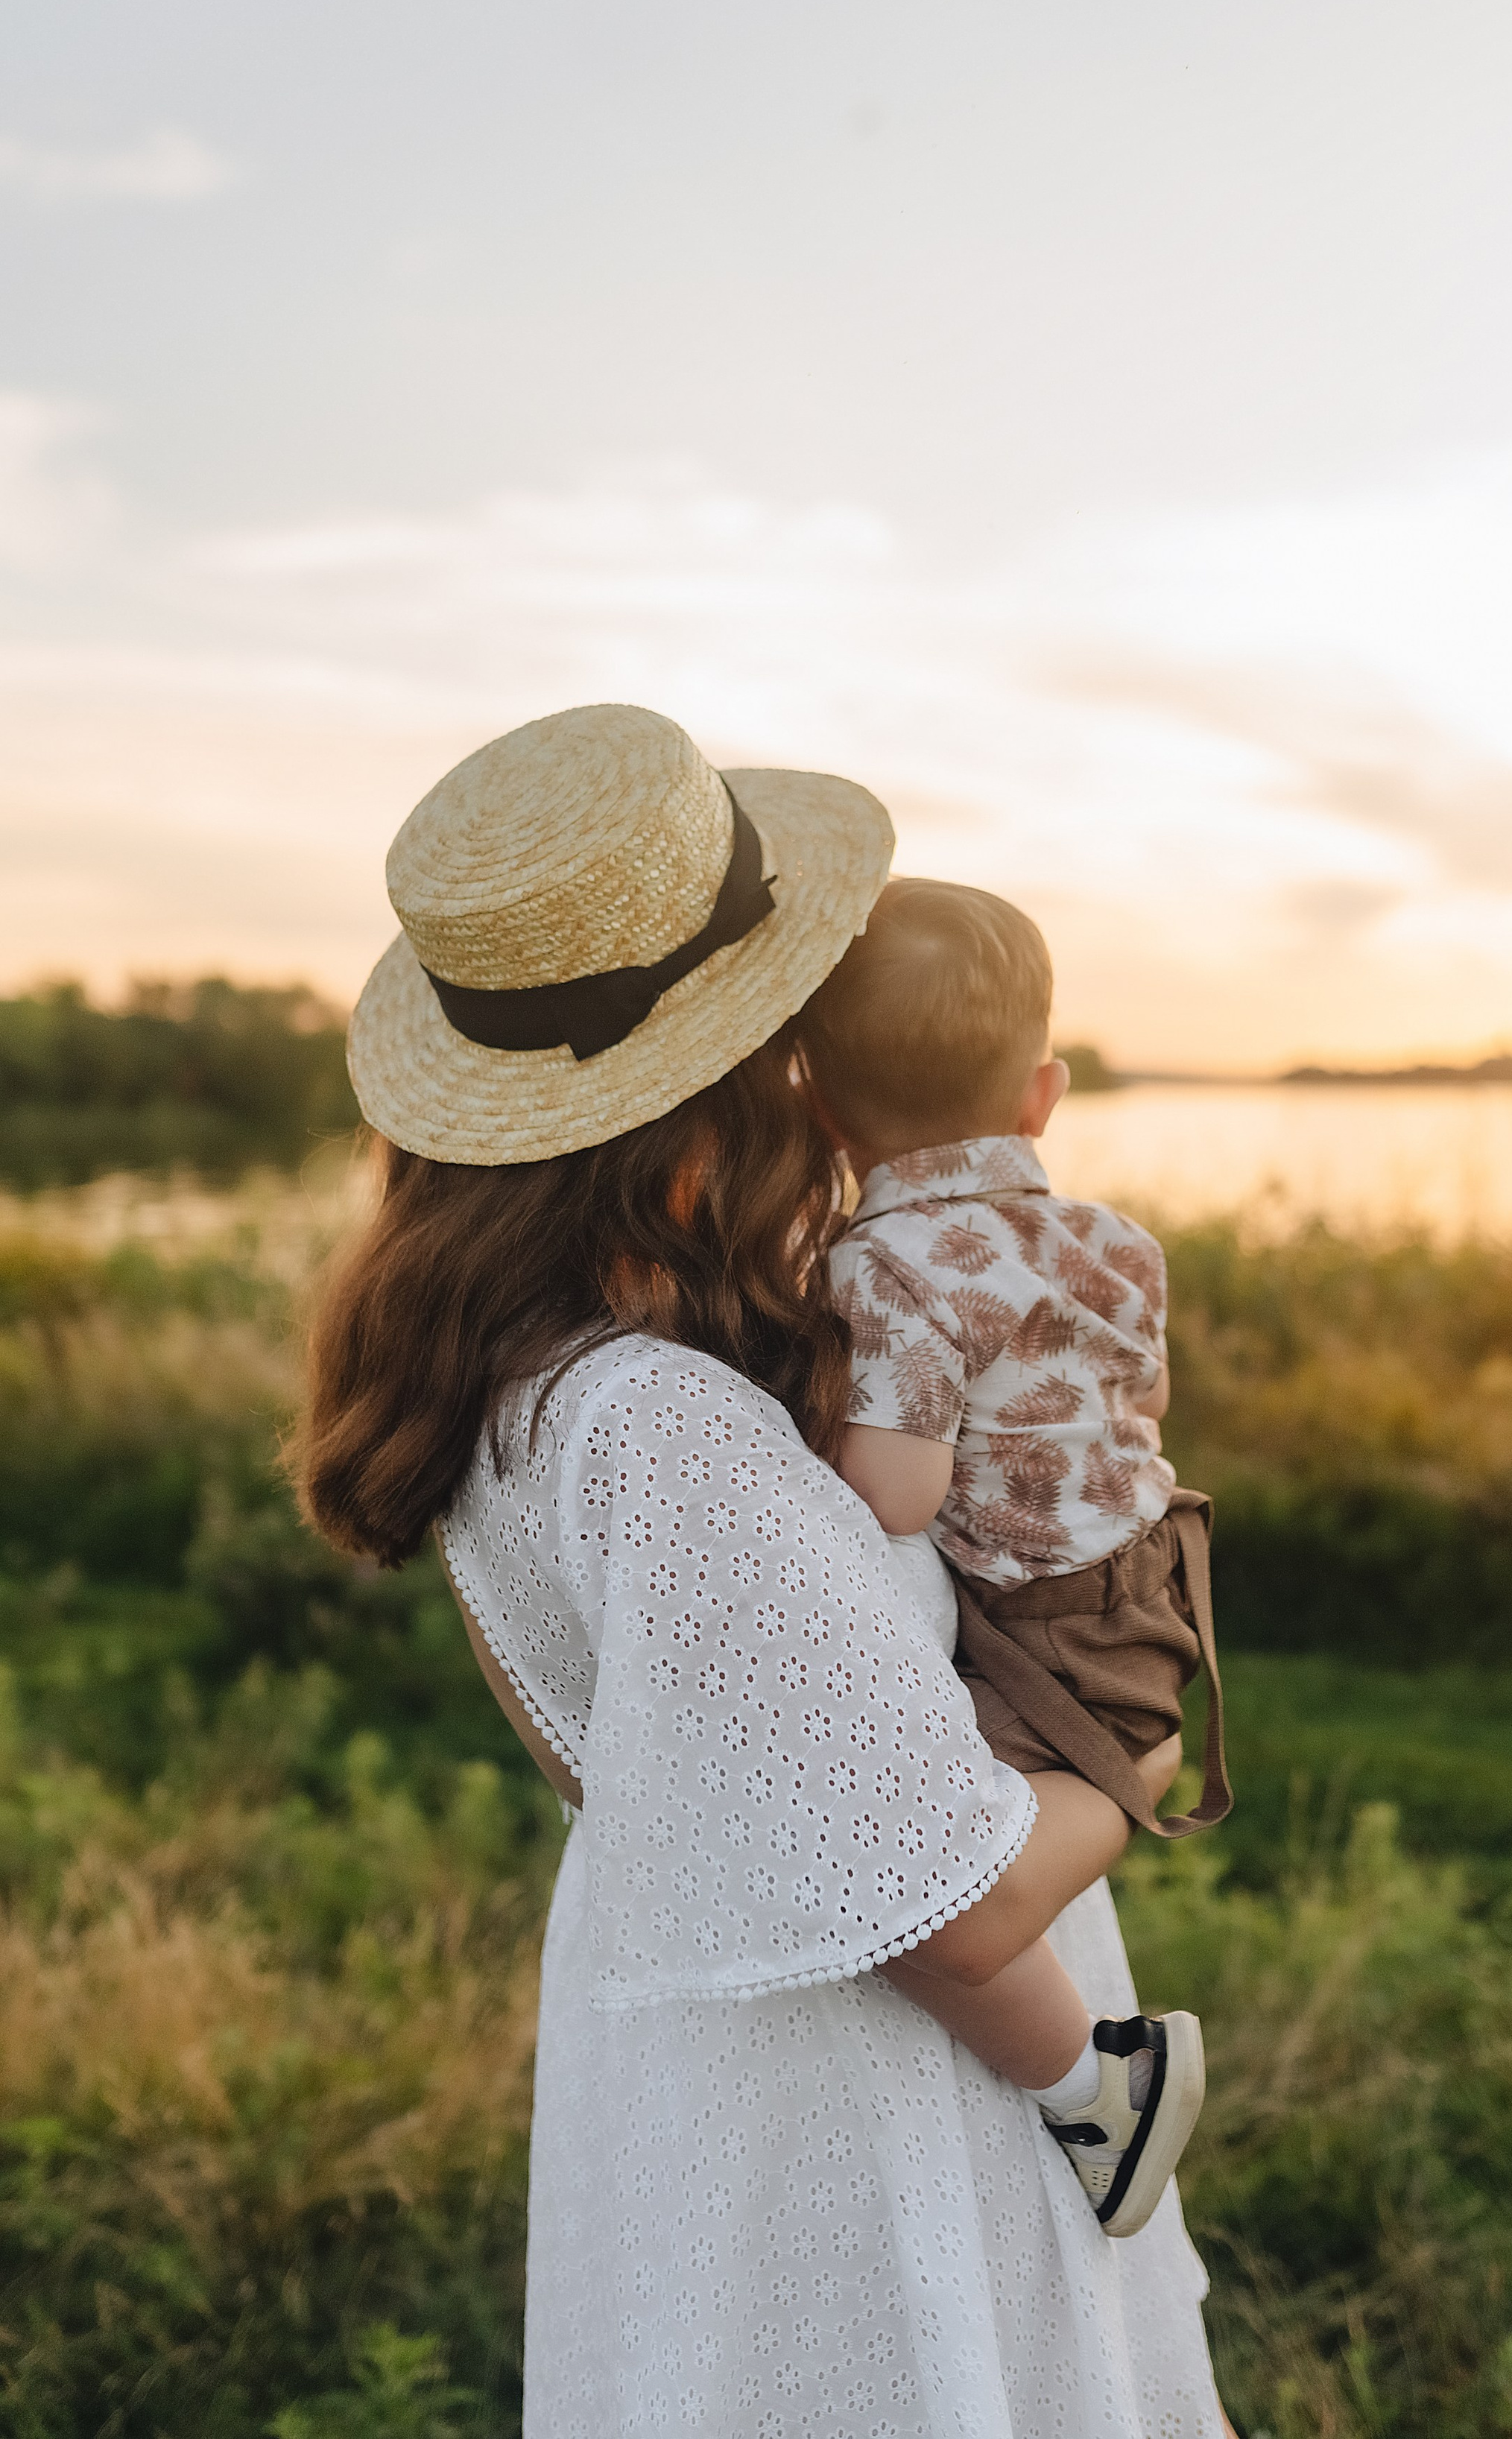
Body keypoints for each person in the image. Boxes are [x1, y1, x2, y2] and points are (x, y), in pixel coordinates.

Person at [295, 703, 1230, 2439]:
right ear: (749, 1069)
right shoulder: (665, 1432)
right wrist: (1142, 1754)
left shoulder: (551, 1374)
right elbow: (953, 1900)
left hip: (770, 2054)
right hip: (862, 2125)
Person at [800, 879, 1231, 2235]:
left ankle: (1105, 2082)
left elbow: (902, 1491)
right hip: (1154, 1587)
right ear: (1042, 1095)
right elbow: (1136, 1415)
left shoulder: (883, 1266)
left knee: (907, 1863)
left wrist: (805, 1424)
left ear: (819, 1111)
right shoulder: (1120, 1241)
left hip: (1039, 1630)